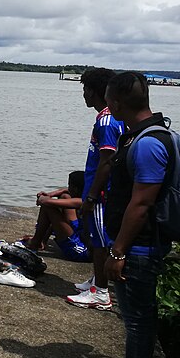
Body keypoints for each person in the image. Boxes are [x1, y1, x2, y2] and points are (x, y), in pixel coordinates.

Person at [84, 72, 173, 358]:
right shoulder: (153, 134)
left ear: (117, 103)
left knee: (137, 321)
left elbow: (141, 203)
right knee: (137, 318)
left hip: (139, 247)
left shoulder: (148, 143)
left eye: (109, 100)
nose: (107, 106)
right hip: (140, 244)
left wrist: (118, 251)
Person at [65, 67, 124, 310]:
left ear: (95, 91)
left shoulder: (107, 121)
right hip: (99, 190)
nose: (83, 95)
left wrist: (91, 195)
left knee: (99, 240)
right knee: (96, 236)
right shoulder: (108, 117)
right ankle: (96, 281)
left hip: (101, 193)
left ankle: (100, 292)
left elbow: (107, 161)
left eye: (85, 89)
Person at [25, 171, 90, 262]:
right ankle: (42, 240)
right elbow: (65, 192)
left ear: (75, 189)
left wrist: (43, 198)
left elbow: (45, 202)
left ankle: (35, 243)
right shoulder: (89, 196)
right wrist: (52, 194)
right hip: (81, 233)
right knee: (64, 197)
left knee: (48, 207)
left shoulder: (83, 202)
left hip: (81, 250)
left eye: (69, 185)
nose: (68, 188)